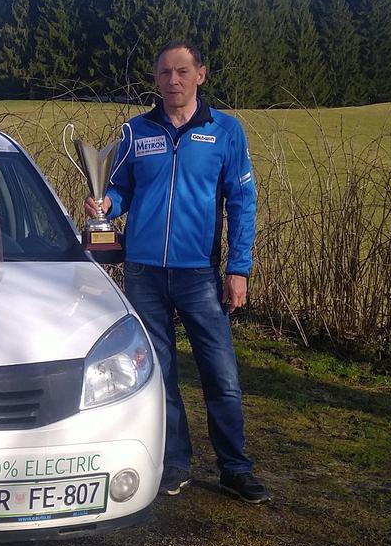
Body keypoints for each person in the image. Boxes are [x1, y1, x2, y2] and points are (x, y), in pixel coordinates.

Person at [88, 40, 268, 504]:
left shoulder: (226, 131)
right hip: (144, 273)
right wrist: (107, 204)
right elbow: (121, 188)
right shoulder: (136, 131)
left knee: (221, 375)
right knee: (160, 373)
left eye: (182, 71)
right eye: (165, 73)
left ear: (200, 75)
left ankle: (234, 467)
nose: (173, 80)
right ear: (156, 79)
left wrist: (239, 268)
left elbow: (242, 203)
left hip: (200, 275)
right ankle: (176, 463)